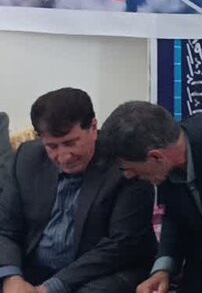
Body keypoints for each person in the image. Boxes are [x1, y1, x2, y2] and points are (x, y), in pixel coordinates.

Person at [99, 102, 202, 293]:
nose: (128, 176)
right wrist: (162, 270)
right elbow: (174, 216)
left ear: (156, 157)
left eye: (128, 169)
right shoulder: (168, 158)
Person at [0, 89, 156, 293]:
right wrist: (11, 278)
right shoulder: (27, 158)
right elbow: (6, 228)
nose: (64, 157)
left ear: (93, 127)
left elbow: (122, 244)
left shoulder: (124, 162)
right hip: (33, 271)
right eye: (52, 147)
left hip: (102, 272)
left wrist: (48, 289)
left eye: (70, 143)